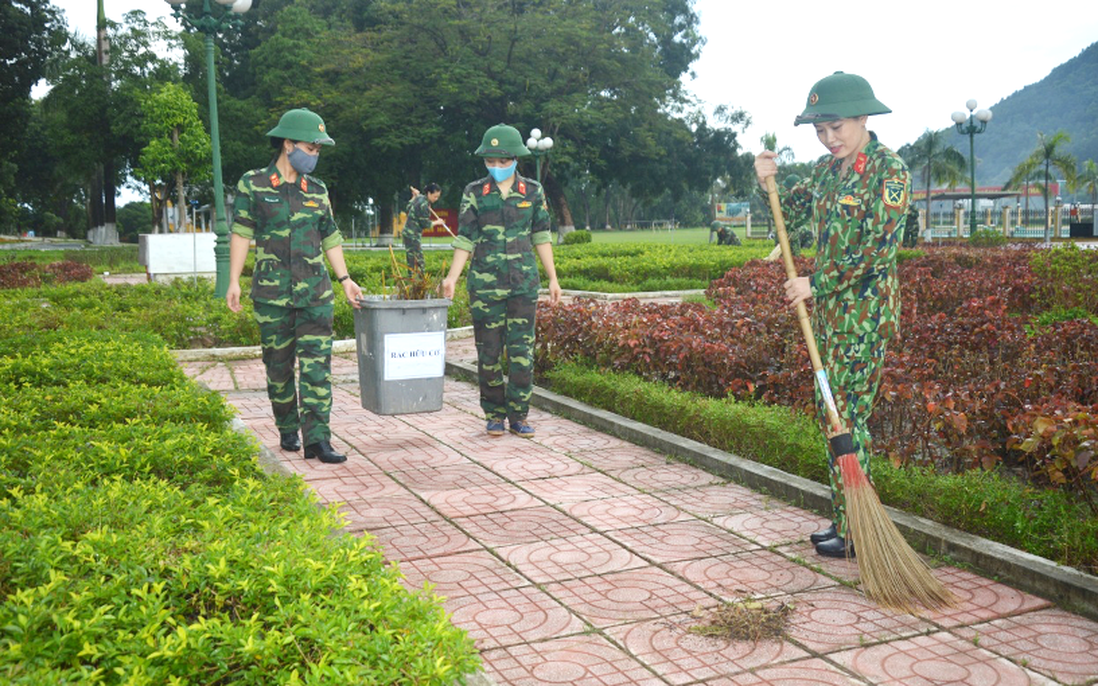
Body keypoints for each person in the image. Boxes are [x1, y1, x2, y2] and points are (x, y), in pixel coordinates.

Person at [753, 72, 911, 558]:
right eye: (820, 131)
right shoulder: (825, 173)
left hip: (863, 320)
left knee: (848, 418)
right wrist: (766, 183)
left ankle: (860, 528)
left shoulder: (890, 173)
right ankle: (847, 521)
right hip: (826, 319)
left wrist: (814, 283)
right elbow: (791, 213)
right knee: (831, 416)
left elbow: (877, 251)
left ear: (863, 117)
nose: (829, 138)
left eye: (837, 127)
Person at [226, 108, 363, 464]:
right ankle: (288, 427)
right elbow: (241, 232)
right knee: (279, 368)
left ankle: (318, 440)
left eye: (318, 151)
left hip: (315, 295)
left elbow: (330, 235)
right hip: (272, 296)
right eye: (311, 148)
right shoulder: (253, 184)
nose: (314, 156)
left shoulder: (317, 190)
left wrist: (345, 280)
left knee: (318, 368)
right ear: (288, 144)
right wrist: (233, 282)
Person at [440, 123, 562, 438]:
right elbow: (465, 237)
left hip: (523, 284)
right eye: (490, 162)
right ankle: (494, 414)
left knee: (522, 353)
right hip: (485, 287)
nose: (496, 167)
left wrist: (553, 278)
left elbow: (542, 235)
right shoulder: (474, 192)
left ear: (516, 159)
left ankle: (519, 415)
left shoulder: (533, 191)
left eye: (503, 162)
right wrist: (452, 277)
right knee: (489, 352)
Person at [403, 183, 445, 273]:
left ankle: (413, 279)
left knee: (411, 258)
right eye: (435, 196)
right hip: (412, 234)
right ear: (429, 193)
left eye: (438, 197)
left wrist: (414, 196)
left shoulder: (420, 198)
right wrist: (438, 222)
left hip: (408, 233)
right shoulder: (423, 205)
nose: (436, 199)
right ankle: (419, 281)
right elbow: (426, 224)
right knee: (418, 260)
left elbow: (408, 207)